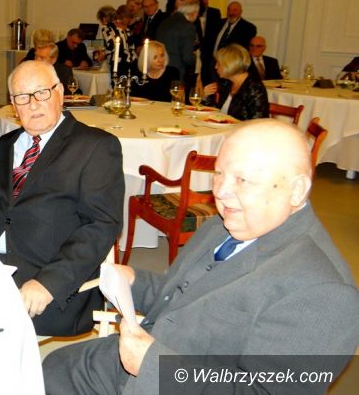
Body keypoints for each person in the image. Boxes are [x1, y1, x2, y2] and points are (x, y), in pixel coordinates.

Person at [43, 119, 359, 395]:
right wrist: (135, 282)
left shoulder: (324, 293)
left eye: (243, 180)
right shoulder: (227, 224)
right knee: (49, 367)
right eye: (219, 173)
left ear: (297, 190)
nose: (220, 191)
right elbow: (183, 297)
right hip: (138, 357)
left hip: (164, 379)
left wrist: (155, 366)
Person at [0, 61, 124, 336]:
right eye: (22, 97)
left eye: (42, 92)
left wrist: (48, 283)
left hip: (49, 282)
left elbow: (101, 226)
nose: (33, 104)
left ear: (60, 92)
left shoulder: (96, 146)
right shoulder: (3, 146)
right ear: (13, 105)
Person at [203, 44, 269, 121]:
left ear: (230, 64)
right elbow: (217, 114)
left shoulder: (254, 87)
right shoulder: (227, 83)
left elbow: (258, 121)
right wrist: (206, 97)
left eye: (219, 63)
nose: (216, 67)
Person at [156, 0, 199, 83]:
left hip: (160, 68)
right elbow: (187, 57)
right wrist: (196, 57)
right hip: (176, 71)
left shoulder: (165, 21)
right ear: (194, 13)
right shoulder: (188, 27)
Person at [105, 4, 137, 78]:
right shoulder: (110, 27)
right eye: (129, 18)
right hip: (119, 62)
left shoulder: (127, 29)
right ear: (124, 17)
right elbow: (112, 46)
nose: (130, 20)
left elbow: (131, 46)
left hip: (131, 62)